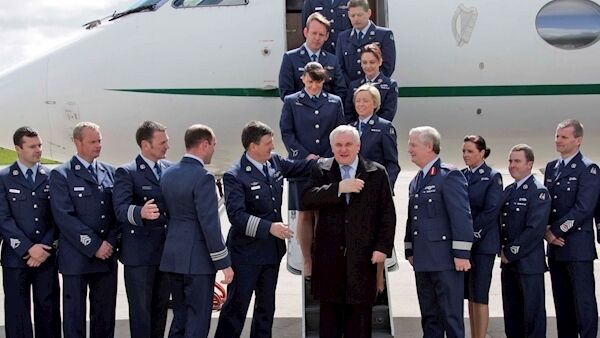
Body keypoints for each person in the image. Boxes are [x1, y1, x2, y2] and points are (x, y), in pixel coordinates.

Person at [214, 121, 315, 338]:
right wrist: (269, 228)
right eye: (268, 143)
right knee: (236, 309)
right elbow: (237, 217)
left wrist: (335, 159)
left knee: (266, 308)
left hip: (271, 252)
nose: (273, 146)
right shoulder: (235, 175)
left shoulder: (274, 162)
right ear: (253, 147)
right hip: (245, 254)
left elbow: (301, 167)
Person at [302, 125, 396, 338]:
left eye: (348, 145)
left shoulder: (376, 172)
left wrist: (382, 248)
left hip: (362, 261)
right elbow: (307, 198)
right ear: (332, 147)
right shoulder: (321, 169)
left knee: (360, 325)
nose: (343, 150)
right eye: (338, 145)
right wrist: (338, 188)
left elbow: (387, 215)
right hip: (329, 262)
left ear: (358, 146)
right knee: (329, 326)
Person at [159, 124, 234, 338]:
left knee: (180, 319)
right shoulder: (203, 177)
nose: (213, 150)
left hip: (173, 258)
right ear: (204, 144)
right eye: (213, 145)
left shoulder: (168, 174)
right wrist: (224, 263)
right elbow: (209, 225)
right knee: (198, 321)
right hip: (198, 262)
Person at [49, 122, 119, 338]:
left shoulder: (110, 172)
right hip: (77, 259)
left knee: (105, 317)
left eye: (99, 141)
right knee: (74, 317)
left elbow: (117, 213)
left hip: (106, 257)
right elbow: (64, 217)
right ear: (78, 143)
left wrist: (110, 242)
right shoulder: (62, 175)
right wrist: (95, 245)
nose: (98, 146)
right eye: (92, 141)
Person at [404, 126, 473, 338]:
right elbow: (413, 218)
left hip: (445, 262)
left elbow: (461, 216)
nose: (409, 150)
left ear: (429, 146)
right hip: (423, 261)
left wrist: (462, 255)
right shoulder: (416, 180)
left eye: (413, 145)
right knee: (430, 316)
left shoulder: (449, 175)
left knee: (451, 317)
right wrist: (409, 250)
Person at [280, 61, 345, 278]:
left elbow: (339, 131)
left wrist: (326, 157)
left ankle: (325, 256)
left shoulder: (334, 102)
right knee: (305, 213)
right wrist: (305, 155)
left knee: (324, 213)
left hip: (327, 165)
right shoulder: (291, 102)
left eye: (318, 83)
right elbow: (287, 132)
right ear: (303, 80)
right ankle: (308, 259)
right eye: (310, 83)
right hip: (303, 165)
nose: (314, 87)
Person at [0, 127, 61, 338]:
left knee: (49, 310)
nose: (38, 150)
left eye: (40, 145)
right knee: (17, 313)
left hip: (46, 256)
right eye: (32, 146)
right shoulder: (4, 177)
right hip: (16, 258)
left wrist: (43, 248)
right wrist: (27, 248)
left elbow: (57, 216)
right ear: (18, 148)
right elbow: (3, 218)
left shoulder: (52, 176)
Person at [112, 121, 171, 338]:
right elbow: (119, 208)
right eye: (162, 142)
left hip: (165, 253)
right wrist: (140, 213)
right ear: (146, 145)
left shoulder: (170, 169)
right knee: (141, 312)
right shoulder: (127, 172)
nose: (167, 146)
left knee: (161, 309)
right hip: (139, 256)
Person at [543, 119, 599, 338]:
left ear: (578, 140)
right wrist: (547, 229)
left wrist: (556, 231)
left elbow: (584, 208)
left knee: (583, 304)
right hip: (556, 249)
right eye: (557, 136)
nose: (558, 140)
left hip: (577, 248)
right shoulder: (551, 168)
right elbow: (547, 204)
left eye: (564, 137)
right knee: (562, 304)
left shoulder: (588, 169)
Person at [500, 144, 550, 338]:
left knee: (532, 317)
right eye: (510, 161)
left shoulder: (538, 192)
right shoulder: (510, 190)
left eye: (517, 161)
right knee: (512, 316)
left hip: (529, 265)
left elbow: (534, 231)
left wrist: (510, 252)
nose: (512, 165)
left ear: (529, 164)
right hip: (509, 265)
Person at [461, 135, 503, 338]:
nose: (465, 155)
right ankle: (474, 334)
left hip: (482, 244)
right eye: (464, 151)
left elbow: (491, 210)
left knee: (480, 294)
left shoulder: (493, 176)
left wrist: (471, 235)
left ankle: (481, 335)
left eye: (470, 151)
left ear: (482, 152)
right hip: (465, 245)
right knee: (469, 294)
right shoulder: (461, 175)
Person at [279, 12, 347, 101]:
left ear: (326, 36)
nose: (317, 38)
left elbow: (340, 91)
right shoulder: (290, 58)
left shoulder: (332, 60)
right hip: (300, 111)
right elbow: (286, 92)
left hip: (326, 112)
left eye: (321, 34)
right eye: (314, 33)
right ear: (306, 32)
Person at [348, 84, 399, 190]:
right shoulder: (349, 128)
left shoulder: (384, 127)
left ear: (375, 103)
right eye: (358, 101)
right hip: (353, 187)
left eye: (365, 101)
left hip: (375, 187)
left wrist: (386, 187)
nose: (361, 104)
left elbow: (392, 164)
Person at [336, 0, 396, 83]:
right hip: (351, 90)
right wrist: (352, 86)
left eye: (359, 15)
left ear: (369, 13)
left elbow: (388, 67)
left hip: (376, 89)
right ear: (348, 15)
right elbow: (340, 68)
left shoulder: (384, 35)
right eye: (353, 16)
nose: (356, 19)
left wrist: (371, 86)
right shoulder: (343, 37)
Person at [345, 43, 398, 122]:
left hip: (379, 130)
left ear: (380, 62)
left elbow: (388, 113)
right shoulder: (354, 85)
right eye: (364, 62)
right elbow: (349, 112)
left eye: (372, 62)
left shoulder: (390, 85)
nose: (368, 66)